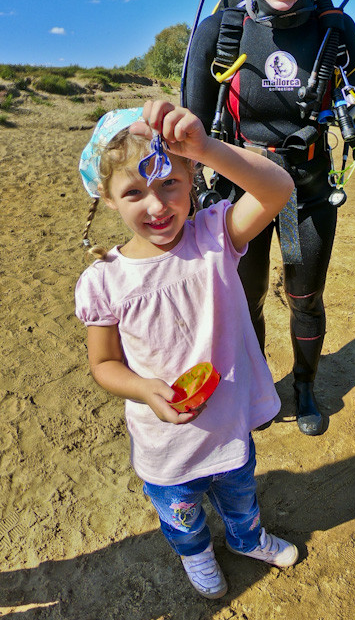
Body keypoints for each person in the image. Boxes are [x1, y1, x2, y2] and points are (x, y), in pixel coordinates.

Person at [75, 101, 298, 600]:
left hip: (227, 424)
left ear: (192, 177)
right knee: (182, 516)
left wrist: (206, 146)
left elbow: (278, 187)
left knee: (241, 496)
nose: (156, 206)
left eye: (169, 184)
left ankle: (247, 538)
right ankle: (196, 555)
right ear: (108, 198)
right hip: (165, 443)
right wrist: (144, 388)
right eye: (133, 192)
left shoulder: (215, 235)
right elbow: (104, 364)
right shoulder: (103, 282)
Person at [184, 0, 355, 435]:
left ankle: (306, 386)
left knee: (305, 298)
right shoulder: (217, 32)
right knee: (245, 299)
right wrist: (187, 201)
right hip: (237, 194)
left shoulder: (337, 31)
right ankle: (259, 382)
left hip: (310, 190)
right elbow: (191, 134)